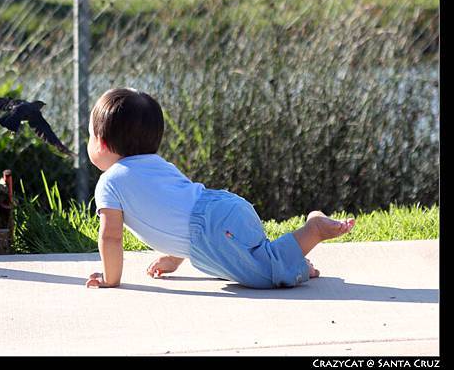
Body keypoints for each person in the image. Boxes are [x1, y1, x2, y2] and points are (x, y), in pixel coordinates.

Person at [85, 88, 355, 289]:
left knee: (264, 275)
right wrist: (172, 258)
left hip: (212, 230)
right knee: (258, 259)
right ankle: (293, 262)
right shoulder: (159, 165)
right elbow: (179, 210)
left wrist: (111, 279)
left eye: (89, 136)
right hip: (218, 210)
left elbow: (111, 238)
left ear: (102, 144)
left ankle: (313, 230)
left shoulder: (110, 182)